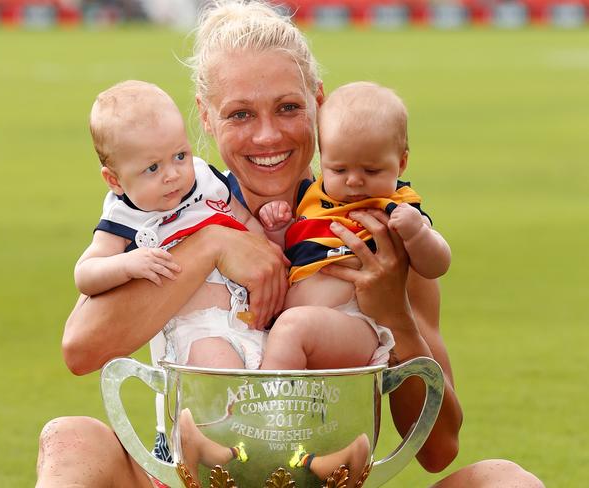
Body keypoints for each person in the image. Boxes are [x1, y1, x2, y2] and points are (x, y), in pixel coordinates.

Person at [35, 1, 543, 487]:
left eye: (287, 108)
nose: (267, 135)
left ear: (318, 104)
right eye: (239, 115)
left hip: (324, 481)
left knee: (505, 479)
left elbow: (438, 450)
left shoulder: (370, 228)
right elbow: (82, 348)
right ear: (206, 119)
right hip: (193, 478)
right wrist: (212, 245)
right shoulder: (170, 212)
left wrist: (393, 314)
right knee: (71, 439)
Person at [75, 79, 267, 371]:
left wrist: (267, 241)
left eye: (180, 156)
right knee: (226, 392)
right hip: (198, 329)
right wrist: (127, 264)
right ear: (114, 180)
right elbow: (85, 273)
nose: (172, 175)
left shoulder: (205, 180)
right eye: (152, 168)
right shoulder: (125, 216)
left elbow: (245, 221)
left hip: (249, 318)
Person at [258, 81, 451, 370]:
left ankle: (267, 411)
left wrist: (418, 233)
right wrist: (276, 227)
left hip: (358, 324)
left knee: (291, 328)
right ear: (322, 160)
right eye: (339, 169)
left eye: (371, 170)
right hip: (304, 324)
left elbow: (437, 264)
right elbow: (289, 251)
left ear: (401, 163)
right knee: (279, 330)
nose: (354, 181)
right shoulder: (312, 199)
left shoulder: (395, 207)